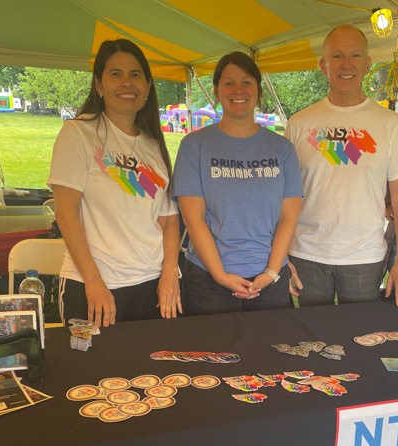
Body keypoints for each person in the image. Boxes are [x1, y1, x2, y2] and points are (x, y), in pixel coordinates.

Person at [48, 38, 181, 326]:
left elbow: (169, 220)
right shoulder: (78, 133)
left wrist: (170, 273)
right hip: (94, 286)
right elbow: (65, 213)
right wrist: (94, 282)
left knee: (150, 370)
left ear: (147, 85)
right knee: (92, 371)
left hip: (152, 287)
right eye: (116, 74)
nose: (127, 83)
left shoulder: (153, 145)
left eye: (135, 75)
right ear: (98, 85)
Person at [285, 25, 398, 309]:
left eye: (355, 55)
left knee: (361, 338)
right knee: (312, 338)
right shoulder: (299, 124)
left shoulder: (390, 124)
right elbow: (283, 196)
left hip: (364, 257)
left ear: (368, 63)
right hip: (306, 253)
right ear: (323, 65)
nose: (346, 64)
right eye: (337, 56)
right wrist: (280, 255)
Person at [172, 51, 303, 316]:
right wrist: (220, 275)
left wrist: (272, 272)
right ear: (217, 91)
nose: (238, 90)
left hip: (269, 279)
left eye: (246, 82)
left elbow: (288, 218)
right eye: (228, 83)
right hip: (208, 280)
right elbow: (193, 219)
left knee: (269, 357)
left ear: (258, 89)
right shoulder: (193, 146)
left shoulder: (283, 149)